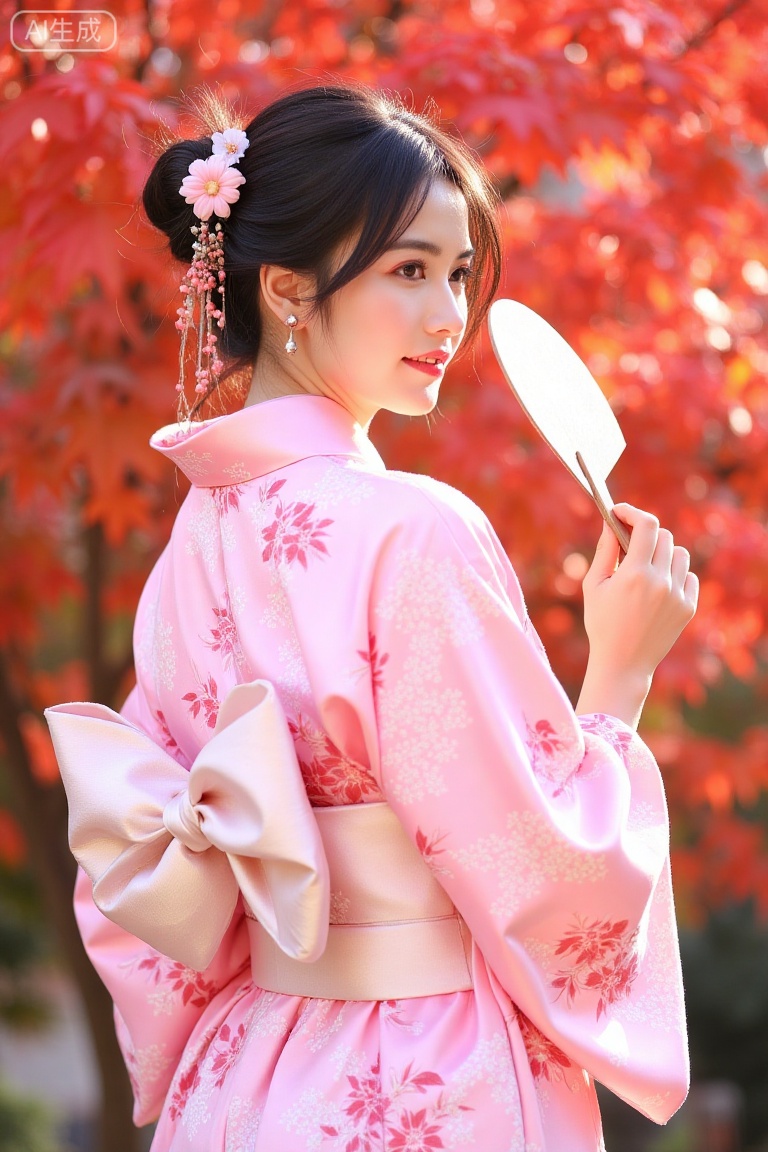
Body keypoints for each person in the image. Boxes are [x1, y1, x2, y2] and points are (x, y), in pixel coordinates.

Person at [45, 83, 698, 1152]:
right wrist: (619, 672)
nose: (450, 317)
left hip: (248, 1073)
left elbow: (147, 886)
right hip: (428, 1071)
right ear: (291, 290)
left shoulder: (192, 543)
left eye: (456, 274)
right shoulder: (413, 531)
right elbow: (538, 858)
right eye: (408, 272)